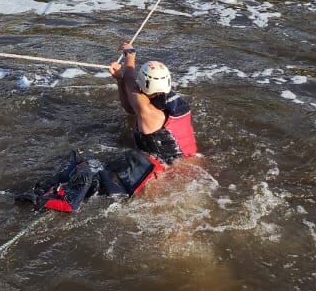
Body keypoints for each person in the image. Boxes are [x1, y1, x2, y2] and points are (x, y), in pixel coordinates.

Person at [24, 46, 198, 214]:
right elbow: (130, 106)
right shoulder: (166, 104)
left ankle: (55, 199)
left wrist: (130, 56)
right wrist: (119, 80)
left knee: (92, 175)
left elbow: (132, 86)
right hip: (187, 165)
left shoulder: (149, 112)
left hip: (167, 173)